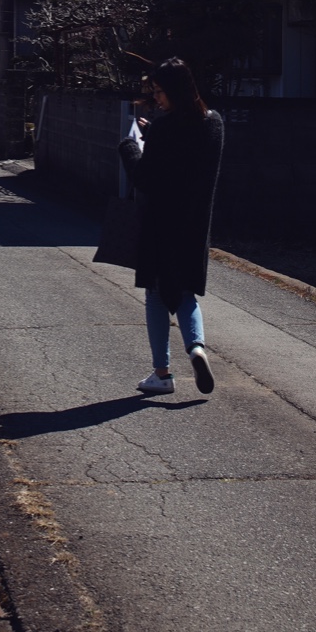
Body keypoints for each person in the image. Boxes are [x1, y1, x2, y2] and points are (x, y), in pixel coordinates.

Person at [130, 57, 223, 397]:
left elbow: (144, 177)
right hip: (195, 225)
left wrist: (132, 147)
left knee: (155, 295)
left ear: (174, 91)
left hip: (161, 222)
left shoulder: (165, 128)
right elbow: (188, 162)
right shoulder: (214, 123)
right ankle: (196, 348)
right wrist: (154, 135)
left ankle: (162, 373)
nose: (156, 99)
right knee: (184, 292)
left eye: (159, 92)